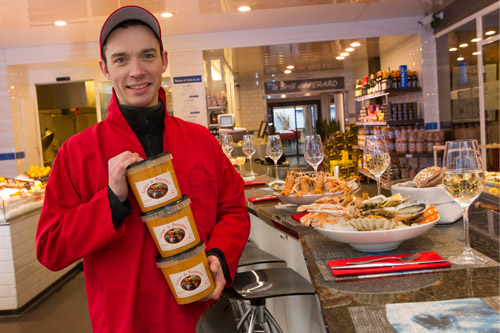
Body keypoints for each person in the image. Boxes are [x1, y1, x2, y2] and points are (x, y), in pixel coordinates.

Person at [36, 6, 250, 332]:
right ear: (104, 68)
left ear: (163, 60)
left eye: (147, 56)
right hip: (124, 322)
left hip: (200, 317)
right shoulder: (76, 153)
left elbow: (234, 209)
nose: (136, 70)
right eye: (121, 59)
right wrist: (110, 201)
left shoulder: (201, 140)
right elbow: (50, 248)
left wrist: (220, 255)